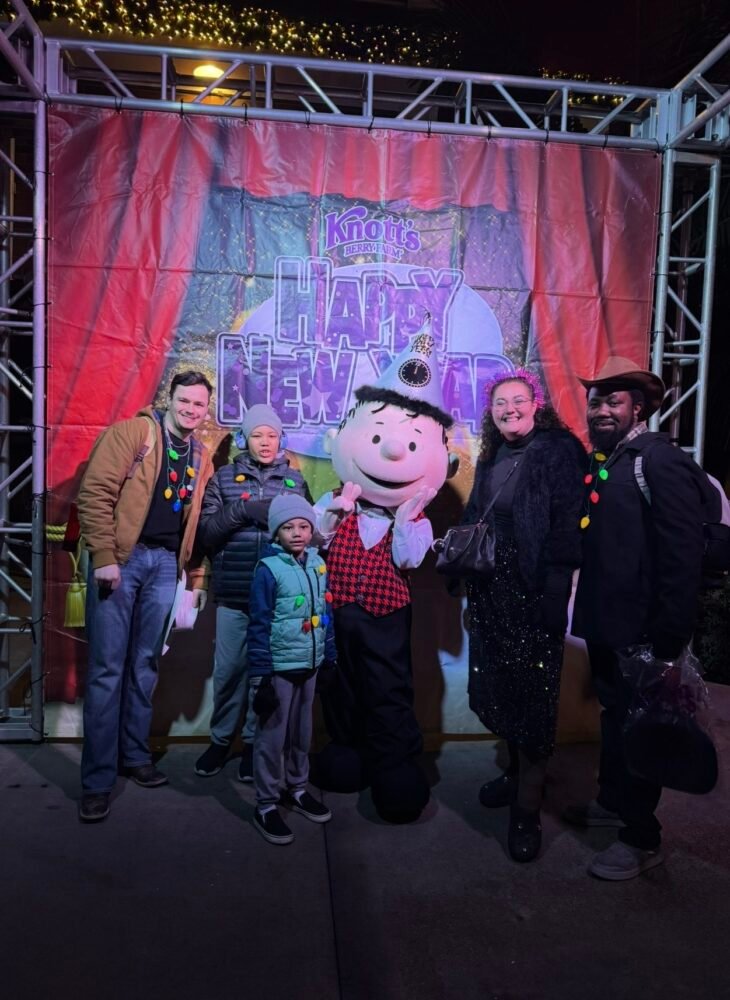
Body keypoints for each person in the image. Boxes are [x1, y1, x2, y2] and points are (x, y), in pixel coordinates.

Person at [569, 356, 710, 880]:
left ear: (639, 409)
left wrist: (669, 640)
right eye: (596, 402)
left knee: (641, 729)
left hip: (645, 632)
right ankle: (614, 801)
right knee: (615, 718)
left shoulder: (658, 460)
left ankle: (641, 838)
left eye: (614, 401)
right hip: (608, 624)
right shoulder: (609, 459)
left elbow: (682, 555)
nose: (602, 410)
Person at [313, 325, 458, 824]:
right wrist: (334, 513)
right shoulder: (336, 501)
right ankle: (346, 746)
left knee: (387, 689)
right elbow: (315, 541)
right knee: (340, 684)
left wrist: (404, 521)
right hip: (338, 615)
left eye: (412, 444)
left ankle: (393, 762)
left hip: (385, 619)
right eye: (376, 436)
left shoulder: (416, 522)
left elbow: (410, 561)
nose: (393, 452)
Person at [77, 370, 214, 823]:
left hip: (165, 567)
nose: (190, 409)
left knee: (145, 665)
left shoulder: (200, 455)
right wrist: (104, 556)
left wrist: (196, 577)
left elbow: (196, 524)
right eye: (184, 400)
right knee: (107, 670)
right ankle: (97, 782)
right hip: (124, 559)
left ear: (206, 410)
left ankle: (134, 756)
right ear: (169, 399)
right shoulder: (135, 433)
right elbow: (95, 493)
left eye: (199, 404)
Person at [463, 369, 584, 862]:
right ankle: (515, 776)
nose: (509, 409)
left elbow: (569, 527)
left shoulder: (559, 450)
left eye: (517, 400)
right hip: (491, 587)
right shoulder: (492, 452)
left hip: (534, 589)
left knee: (534, 697)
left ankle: (527, 810)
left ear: (536, 404)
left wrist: (556, 593)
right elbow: (477, 512)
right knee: (503, 687)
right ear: (491, 413)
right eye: (499, 403)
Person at [194, 404, 311, 781]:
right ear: (244, 439)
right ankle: (220, 740)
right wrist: (243, 511)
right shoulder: (224, 479)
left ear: (280, 439)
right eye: (257, 434)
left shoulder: (294, 481)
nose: (265, 442)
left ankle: (251, 743)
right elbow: (206, 534)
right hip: (234, 594)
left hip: (277, 600)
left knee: (264, 677)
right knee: (229, 672)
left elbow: (307, 536)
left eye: (271, 435)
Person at [246, 494, 336, 845]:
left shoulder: (317, 563)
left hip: (310, 664)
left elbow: (325, 612)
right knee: (272, 737)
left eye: (303, 526)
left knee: (302, 732)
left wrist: (329, 657)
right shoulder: (268, 569)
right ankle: (266, 803)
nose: (297, 533)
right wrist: (261, 675)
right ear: (276, 533)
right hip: (280, 667)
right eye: (288, 527)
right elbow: (259, 623)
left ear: (311, 530)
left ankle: (297, 787)